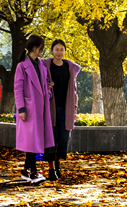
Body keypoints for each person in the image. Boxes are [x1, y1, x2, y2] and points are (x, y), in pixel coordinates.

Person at [13, 35, 53, 185]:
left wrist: (48, 90)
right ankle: (33, 171)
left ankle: (26, 170)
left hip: (41, 107)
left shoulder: (42, 66)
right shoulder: (22, 66)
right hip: (29, 109)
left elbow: (44, 86)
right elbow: (18, 88)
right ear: (35, 48)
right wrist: (21, 108)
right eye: (41, 47)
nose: (43, 50)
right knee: (32, 141)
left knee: (35, 140)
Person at [43, 39, 80, 182]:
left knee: (63, 139)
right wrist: (46, 86)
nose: (59, 52)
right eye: (56, 49)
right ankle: (51, 169)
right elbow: (39, 84)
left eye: (61, 49)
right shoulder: (45, 66)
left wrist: (75, 109)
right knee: (51, 140)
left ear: (65, 51)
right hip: (50, 108)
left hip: (66, 109)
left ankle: (58, 163)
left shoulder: (69, 67)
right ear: (52, 51)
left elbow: (74, 92)